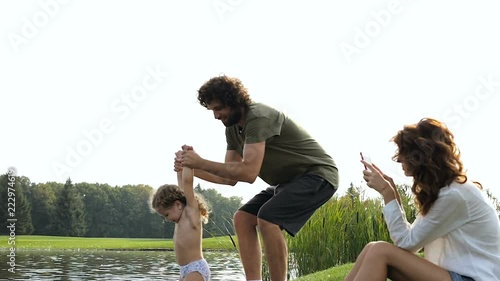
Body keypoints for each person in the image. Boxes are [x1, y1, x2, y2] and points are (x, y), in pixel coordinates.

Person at [174, 75, 339, 281]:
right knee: (242, 218)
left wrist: (199, 162)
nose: (216, 116)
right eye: (212, 111)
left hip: (318, 175)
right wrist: (190, 169)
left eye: (218, 109)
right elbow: (229, 177)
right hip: (288, 183)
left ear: (233, 101)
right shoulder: (232, 128)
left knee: (267, 218)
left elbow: (248, 173)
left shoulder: (259, 117)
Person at [346, 118, 500, 281]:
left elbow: (407, 244)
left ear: (420, 157)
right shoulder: (446, 192)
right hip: (460, 276)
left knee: (380, 251)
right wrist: (393, 193)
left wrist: (387, 192)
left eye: (403, 153)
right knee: (372, 248)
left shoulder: (455, 196)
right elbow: (408, 242)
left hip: (477, 278)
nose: (398, 159)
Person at [152, 149, 211, 281]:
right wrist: (180, 165)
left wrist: (188, 162)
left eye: (166, 215)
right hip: (185, 270)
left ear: (178, 205)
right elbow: (181, 183)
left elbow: (187, 183)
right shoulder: (180, 218)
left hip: (196, 269)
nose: (167, 219)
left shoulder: (191, 214)